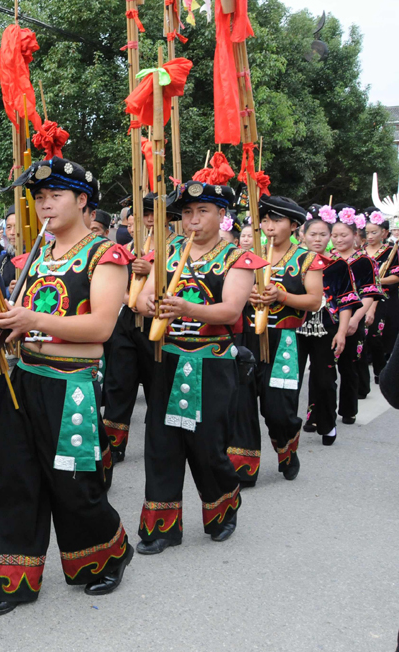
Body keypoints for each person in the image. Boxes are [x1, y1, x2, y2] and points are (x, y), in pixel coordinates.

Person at [0, 157, 133, 617]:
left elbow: (102, 326)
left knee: (73, 481)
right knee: (11, 479)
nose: (45, 206)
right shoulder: (34, 257)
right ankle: (13, 578)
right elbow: (23, 320)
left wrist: (31, 319)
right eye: (40, 198)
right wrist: (9, 323)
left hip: (71, 386)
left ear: (82, 200)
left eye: (55, 196)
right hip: (24, 379)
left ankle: (107, 553)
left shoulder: (105, 255)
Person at [135, 177, 266, 555]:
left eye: (203, 211)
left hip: (212, 362)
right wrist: (151, 305)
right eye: (187, 212)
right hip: (168, 359)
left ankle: (223, 507)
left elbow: (229, 310)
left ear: (222, 215)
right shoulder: (168, 251)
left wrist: (187, 309)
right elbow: (142, 300)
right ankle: (161, 527)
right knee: (162, 444)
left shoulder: (238, 259)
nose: (193, 220)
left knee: (207, 446)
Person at [229, 196, 327, 485]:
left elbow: (314, 300)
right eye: (266, 221)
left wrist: (281, 296)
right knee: (242, 404)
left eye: (277, 221)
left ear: (294, 225)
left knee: (277, 409)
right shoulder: (246, 257)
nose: (269, 227)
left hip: (284, 341)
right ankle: (243, 468)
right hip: (246, 336)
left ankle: (286, 447)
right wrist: (245, 295)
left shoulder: (306, 259)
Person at [102, 193, 182, 462]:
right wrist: (130, 298)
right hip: (128, 320)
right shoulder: (130, 245)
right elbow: (119, 286)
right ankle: (114, 444)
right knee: (117, 382)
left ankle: (162, 441)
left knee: (157, 382)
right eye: (143, 213)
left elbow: (178, 285)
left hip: (159, 322)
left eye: (153, 212)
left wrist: (150, 273)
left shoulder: (179, 248)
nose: (148, 218)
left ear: (169, 216)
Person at [297, 214, 355, 445]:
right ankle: (288, 425)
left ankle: (328, 424)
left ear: (330, 237)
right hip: (295, 328)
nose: (318, 239)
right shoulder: (295, 261)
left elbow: (346, 300)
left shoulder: (339, 265)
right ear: (302, 235)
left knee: (325, 379)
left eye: (323, 234)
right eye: (313, 234)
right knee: (291, 378)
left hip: (327, 328)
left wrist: (341, 332)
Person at [330, 208, 382, 426]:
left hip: (354, 319)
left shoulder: (365, 261)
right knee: (323, 370)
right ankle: (320, 413)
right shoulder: (326, 259)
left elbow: (370, 293)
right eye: (335, 235)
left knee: (349, 366)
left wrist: (355, 318)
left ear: (355, 236)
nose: (339, 239)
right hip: (328, 320)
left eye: (344, 235)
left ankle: (348, 410)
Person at [362, 212, 399, 384]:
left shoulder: (391, 252)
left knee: (376, 335)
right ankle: (361, 378)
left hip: (383, 297)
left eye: (374, 233)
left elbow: (396, 277)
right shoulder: (360, 252)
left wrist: (375, 280)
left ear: (384, 233)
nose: (369, 236)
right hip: (360, 298)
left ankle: (380, 370)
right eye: (367, 233)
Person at [0, 207, 17, 288]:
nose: (12, 232)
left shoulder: (39, 258)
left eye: (17, 226)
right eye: (9, 227)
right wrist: (8, 291)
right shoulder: (0, 261)